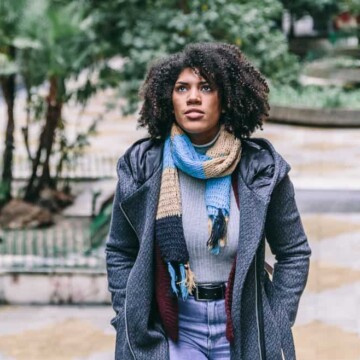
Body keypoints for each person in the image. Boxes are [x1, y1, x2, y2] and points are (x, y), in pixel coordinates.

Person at [106, 42, 311, 360]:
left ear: (226, 99)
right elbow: (119, 250)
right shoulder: (143, 166)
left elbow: (294, 252)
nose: (192, 97)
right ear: (168, 99)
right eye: (181, 88)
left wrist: (276, 316)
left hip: (242, 327)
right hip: (175, 329)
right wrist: (127, 315)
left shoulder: (261, 168)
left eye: (206, 87)